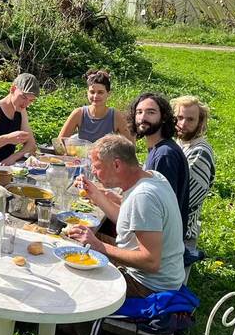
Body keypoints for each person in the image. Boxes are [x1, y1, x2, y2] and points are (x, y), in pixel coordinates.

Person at [70, 135, 186, 297]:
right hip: (159, 277)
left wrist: (98, 245)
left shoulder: (143, 196)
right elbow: (129, 222)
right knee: (73, 241)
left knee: (73, 272)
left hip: (147, 286)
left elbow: (151, 262)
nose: (94, 172)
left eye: (97, 167)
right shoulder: (153, 177)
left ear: (117, 165)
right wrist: (96, 195)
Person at [128, 92, 190, 240]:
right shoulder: (157, 149)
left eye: (151, 112)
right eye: (139, 112)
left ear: (163, 118)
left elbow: (159, 209)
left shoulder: (165, 155)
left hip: (161, 243)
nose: (143, 117)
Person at [171, 96, 216, 252]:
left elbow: (184, 199)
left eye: (190, 120)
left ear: (200, 122)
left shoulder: (199, 152)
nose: (183, 124)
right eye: (179, 118)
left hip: (180, 226)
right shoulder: (180, 142)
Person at [57, 69, 132, 143]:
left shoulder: (116, 116)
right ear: (87, 93)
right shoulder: (78, 114)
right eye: (92, 92)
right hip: (82, 154)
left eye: (100, 92)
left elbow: (130, 146)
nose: (95, 96)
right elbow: (60, 142)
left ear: (108, 94)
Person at [0, 73, 39, 166]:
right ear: (13, 89)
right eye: (23, 97)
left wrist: (13, 157)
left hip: (6, 169)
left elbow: (31, 144)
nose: (26, 104)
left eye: (31, 100)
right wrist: (7, 139)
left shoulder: (21, 111)